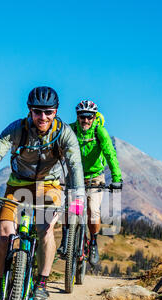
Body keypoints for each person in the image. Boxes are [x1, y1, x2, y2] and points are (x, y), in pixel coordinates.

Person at [0, 86, 85, 300]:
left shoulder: (64, 134)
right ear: (29, 111)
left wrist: (78, 197)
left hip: (49, 186)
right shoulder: (17, 129)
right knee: (5, 233)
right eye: (37, 112)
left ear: (56, 112)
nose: (42, 117)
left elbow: (74, 165)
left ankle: (42, 284)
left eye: (48, 112)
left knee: (45, 229)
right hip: (18, 185)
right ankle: (2, 285)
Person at [58, 100, 122, 266]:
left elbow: (110, 154)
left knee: (93, 210)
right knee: (67, 207)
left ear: (94, 117)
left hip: (95, 177)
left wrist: (116, 178)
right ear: (77, 116)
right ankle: (66, 239)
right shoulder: (70, 129)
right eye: (82, 116)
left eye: (89, 117)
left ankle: (93, 243)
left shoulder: (100, 132)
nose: (85, 120)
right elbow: (57, 152)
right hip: (74, 176)